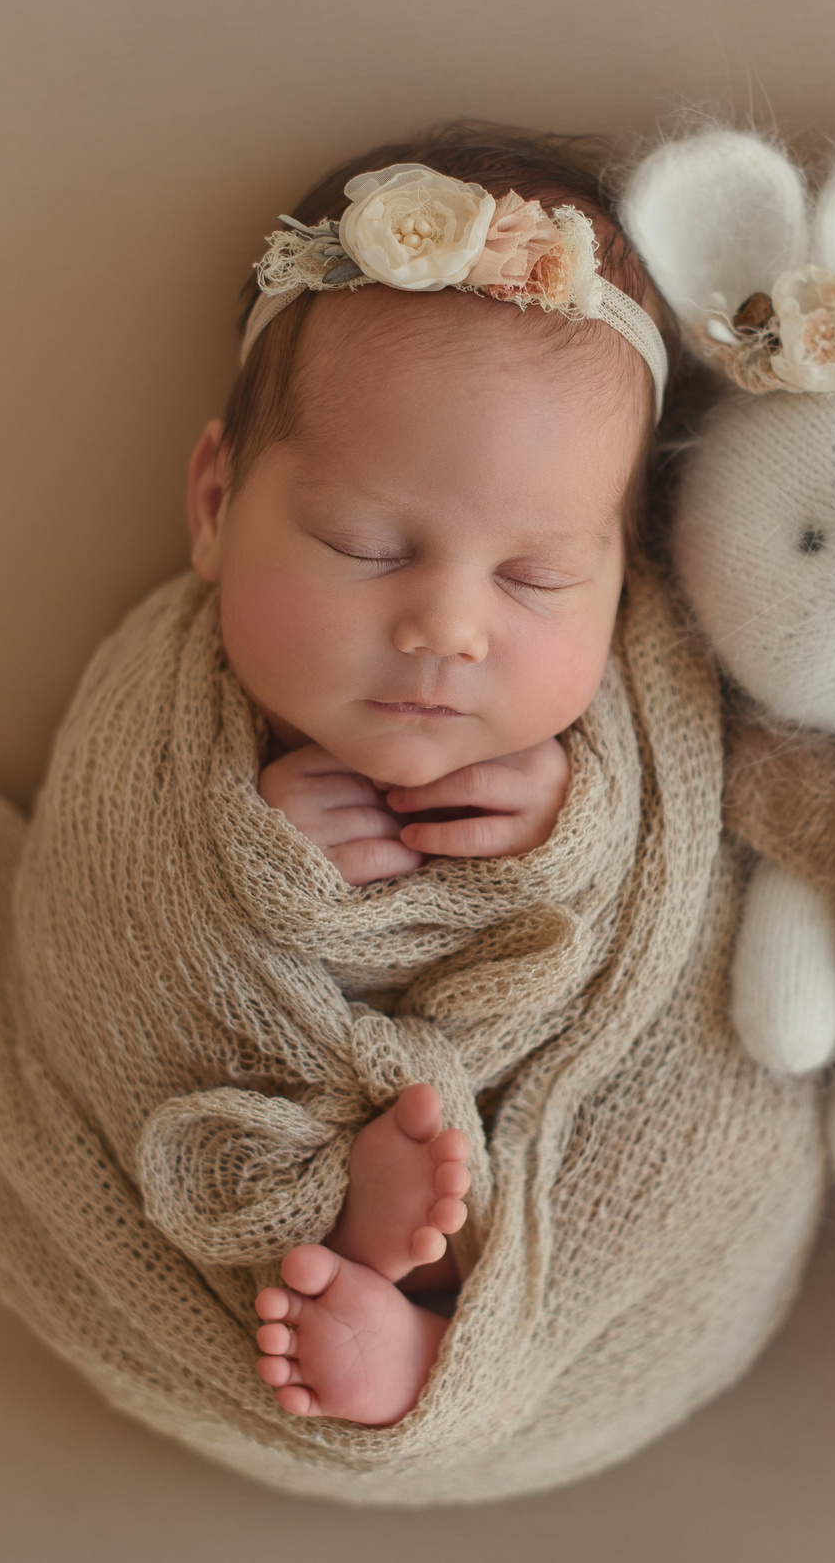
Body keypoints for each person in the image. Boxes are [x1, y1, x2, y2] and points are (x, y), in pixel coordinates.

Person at [178, 121, 671, 1425]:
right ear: (217, 503)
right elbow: (115, 927)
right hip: (245, 1104)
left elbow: (658, 918)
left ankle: (459, 1334)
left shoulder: (617, 739)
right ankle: (335, 1223)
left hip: (552, 1138)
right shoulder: (168, 726)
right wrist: (254, 853)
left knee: (639, 1174)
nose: (449, 629)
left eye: (537, 578)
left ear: (622, 577)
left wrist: (570, 831)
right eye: (363, 543)